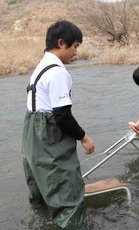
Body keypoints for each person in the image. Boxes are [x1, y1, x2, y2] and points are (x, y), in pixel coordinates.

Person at [22, 20, 95, 229]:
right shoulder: (58, 72)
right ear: (62, 43)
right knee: (67, 190)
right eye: (75, 46)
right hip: (48, 136)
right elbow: (62, 116)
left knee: (41, 189)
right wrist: (84, 137)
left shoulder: (40, 67)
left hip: (31, 137)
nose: (76, 53)